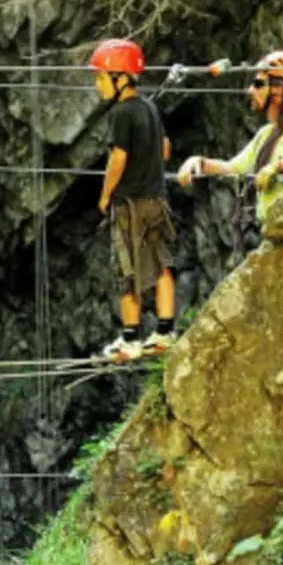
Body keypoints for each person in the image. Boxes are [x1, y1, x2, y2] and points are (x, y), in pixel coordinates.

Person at [91, 38, 178, 363]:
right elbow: (165, 149)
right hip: (157, 200)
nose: (98, 84)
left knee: (126, 267)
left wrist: (105, 196)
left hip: (129, 204)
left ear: (120, 77)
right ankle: (165, 333)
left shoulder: (121, 114)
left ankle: (130, 339)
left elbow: (118, 159)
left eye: (101, 77)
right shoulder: (150, 108)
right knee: (161, 262)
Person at [177, 51, 283, 222]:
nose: (250, 90)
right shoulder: (266, 134)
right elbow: (232, 169)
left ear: (278, 89)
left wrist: (278, 166)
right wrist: (199, 162)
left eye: (258, 84)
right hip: (272, 228)